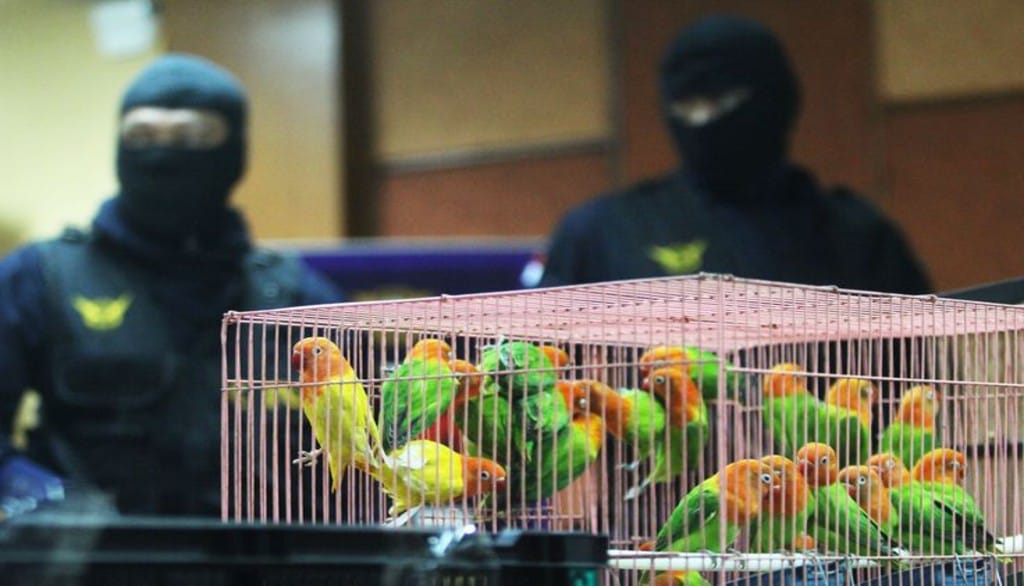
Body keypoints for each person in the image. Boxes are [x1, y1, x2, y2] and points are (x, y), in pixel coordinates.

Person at [0, 54, 342, 517]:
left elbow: (367, 441)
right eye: (142, 136)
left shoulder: (298, 297)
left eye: (192, 137)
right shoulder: (39, 278)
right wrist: (48, 505)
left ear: (234, 153)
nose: (163, 155)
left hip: (258, 550)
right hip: (97, 553)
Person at [539, 15, 931, 295]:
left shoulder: (856, 236)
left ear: (777, 101)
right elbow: (537, 371)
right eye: (687, 105)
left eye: (722, 102)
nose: (702, 122)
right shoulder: (603, 233)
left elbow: (918, 378)